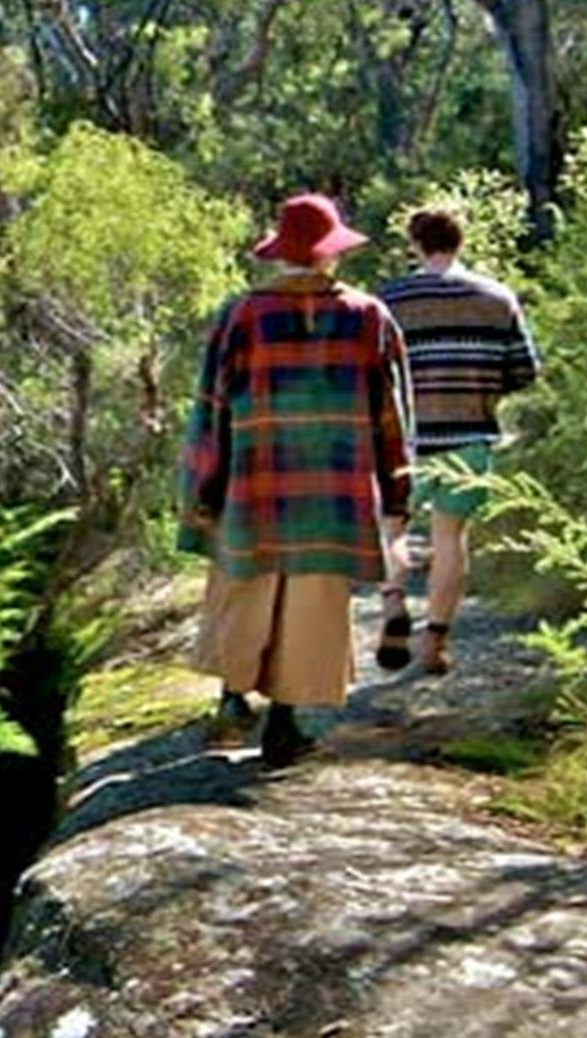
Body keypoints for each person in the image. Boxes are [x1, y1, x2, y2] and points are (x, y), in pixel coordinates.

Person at [179, 193, 414, 766]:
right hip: (332, 493)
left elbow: (210, 408)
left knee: (243, 587)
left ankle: (233, 699)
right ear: (330, 255)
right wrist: (397, 487)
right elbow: (391, 414)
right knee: (313, 605)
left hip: (251, 483)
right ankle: (284, 725)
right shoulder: (367, 317)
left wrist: (202, 492)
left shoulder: (241, 315)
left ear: (278, 254)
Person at [374, 207, 541, 675]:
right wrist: (481, 387)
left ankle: (392, 604)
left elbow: (369, 369)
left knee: (392, 528)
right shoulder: (497, 297)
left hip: (402, 440)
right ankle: (436, 642)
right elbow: (525, 370)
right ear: (460, 242)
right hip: (469, 436)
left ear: (415, 244)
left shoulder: (389, 298)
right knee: (451, 537)